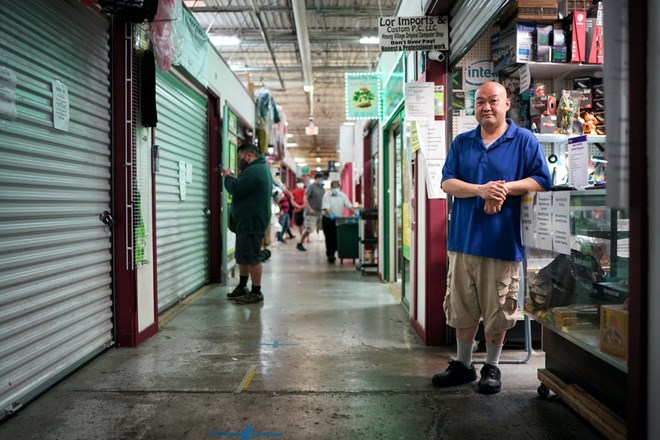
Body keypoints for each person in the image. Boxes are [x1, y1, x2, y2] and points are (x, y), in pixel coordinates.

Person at [433, 81, 552, 394]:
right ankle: (463, 365)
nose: (486, 107)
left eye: (493, 101)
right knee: (461, 306)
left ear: (507, 104)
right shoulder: (462, 142)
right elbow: (447, 183)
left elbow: (542, 180)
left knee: (498, 308)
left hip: (502, 243)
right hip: (462, 241)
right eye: (480, 102)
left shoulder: (523, 140)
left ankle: (493, 366)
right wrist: (480, 190)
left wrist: (504, 188)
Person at [222, 143, 273, 304]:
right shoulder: (257, 169)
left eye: (240, 157)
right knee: (243, 256)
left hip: (251, 221)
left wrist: (228, 177)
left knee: (252, 257)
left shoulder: (254, 170)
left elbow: (237, 189)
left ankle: (256, 292)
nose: (239, 160)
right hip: (247, 221)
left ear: (248, 155)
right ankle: (242, 286)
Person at [321, 181, 356, 263]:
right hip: (328, 219)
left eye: (336, 187)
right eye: (333, 187)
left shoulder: (342, 196)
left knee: (337, 237)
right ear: (331, 188)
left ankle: (336, 251)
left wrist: (356, 213)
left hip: (338, 219)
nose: (335, 189)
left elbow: (349, 205)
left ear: (339, 187)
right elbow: (327, 207)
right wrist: (331, 214)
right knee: (329, 237)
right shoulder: (326, 196)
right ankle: (330, 255)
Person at [296, 173, 325, 252]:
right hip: (311, 213)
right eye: (320, 179)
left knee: (322, 229)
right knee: (309, 229)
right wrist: (309, 209)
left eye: (322, 179)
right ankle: (300, 243)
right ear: (316, 179)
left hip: (319, 212)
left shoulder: (322, 188)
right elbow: (305, 198)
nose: (321, 180)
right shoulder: (311, 187)